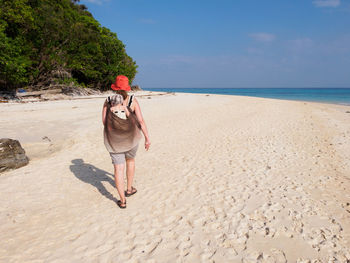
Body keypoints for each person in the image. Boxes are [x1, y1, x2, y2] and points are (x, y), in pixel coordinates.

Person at [102, 75, 151, 209]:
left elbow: (104, 121)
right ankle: (129, 189)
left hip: (114, 141)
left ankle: (122, 201)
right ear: (127, 87)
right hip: (132, 138)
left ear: (115, 87)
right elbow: (140, 121)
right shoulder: (132, 101)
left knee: (118, 168)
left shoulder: (108, 100)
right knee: (130, 161)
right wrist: (147, 138)